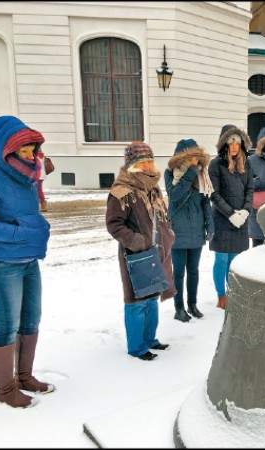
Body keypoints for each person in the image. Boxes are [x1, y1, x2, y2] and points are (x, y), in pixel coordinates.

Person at [0, 115, 54, 408]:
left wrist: (36, 227)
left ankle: (25, 377)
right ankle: (5, 390)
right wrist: (22, 233)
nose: (30, 156)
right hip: (2, 265)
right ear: (7, 148)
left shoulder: (27, 174)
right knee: (7, 326)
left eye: (33, 150)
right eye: (24, 150)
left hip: (30, 262)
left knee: (31, 321)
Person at [106, 141, 175, 361]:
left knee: (152, 297)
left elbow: (162, 216)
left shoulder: (153, 188)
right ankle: (137, 347)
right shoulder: (121, 191)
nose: (147, 167)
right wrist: (135, 241)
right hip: (135, 255)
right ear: (131, 165)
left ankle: (150, 339)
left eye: (149, 162)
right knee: (136, 301)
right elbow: (114, 224)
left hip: (157, 252)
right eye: (141, 163)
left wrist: (168, 234)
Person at [164, 139, 215, 322]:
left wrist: (210, 224)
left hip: (196, 229)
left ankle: (192, 304)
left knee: (193, 270)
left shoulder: (202, 174)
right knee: (178, 272)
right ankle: (179, 308)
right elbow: (175, 196)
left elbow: (205, 202)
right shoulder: (170, 173)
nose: (194, 160)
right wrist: (191, 171)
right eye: (190, 156)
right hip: (177, 230)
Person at [208, 124, 254, 309]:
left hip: (240, 220)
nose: (235, 146)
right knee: (221, 259)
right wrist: (230, 214)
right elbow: (214, 194)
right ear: (224, 143)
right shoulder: (216, 164)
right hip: (222, 219)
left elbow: (250, 189)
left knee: (235, 260)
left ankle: (233, 292)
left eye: (238, 142)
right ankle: (222, 296)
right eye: (231, 142)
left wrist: (245, 211)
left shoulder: (247, 163)